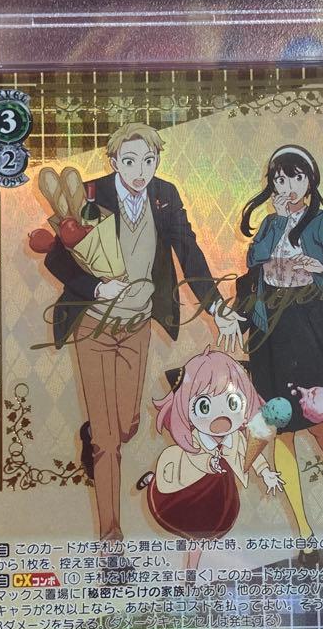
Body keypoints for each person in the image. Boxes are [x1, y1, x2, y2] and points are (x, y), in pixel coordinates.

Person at [41, 122, 242, 541]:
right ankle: (111, 540)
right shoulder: (90, 195)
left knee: (128, 426)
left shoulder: (165, 196)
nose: (140, 171)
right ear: (114, 161)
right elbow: (56, 260)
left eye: (148, 161)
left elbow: (189, 251)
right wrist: (96, 288)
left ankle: (94, 433)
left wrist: (217, 308)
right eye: (130, 161)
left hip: (137, 328)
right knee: (108, 442)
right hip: (93, 328)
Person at [238, 144, 323, 538]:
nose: (288, 186)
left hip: (306, 320)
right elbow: (254, 261)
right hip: (271, 324)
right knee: (281, 424)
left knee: (317, 419)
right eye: (280, 179)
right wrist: (279, 222)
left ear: (310, 180)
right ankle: (302, 524)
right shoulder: (270, 223)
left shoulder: (320, 221)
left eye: (295, 177)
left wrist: (322, 266)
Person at [141, 348, 284, 571]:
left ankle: (193, 570)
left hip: (218, 491)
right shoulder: (193, 440)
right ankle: (153, 480)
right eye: (204, 406)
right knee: (190, 524)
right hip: (186, 487)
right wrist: (209, 463)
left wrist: (266, 473)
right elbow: (191, 460)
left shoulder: (237, 438)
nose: (220, 418)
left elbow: (251, 456)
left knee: (205, 531)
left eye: (233, 403)